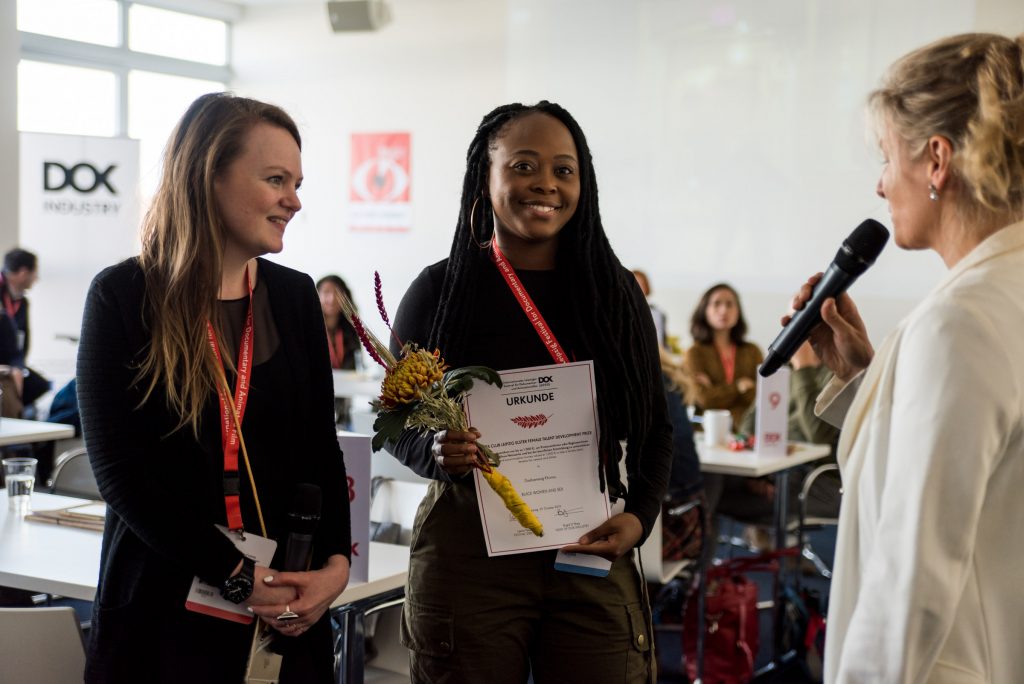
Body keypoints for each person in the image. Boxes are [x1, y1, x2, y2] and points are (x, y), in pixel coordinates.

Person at [387, 101, 672, 683]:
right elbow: (397, 423)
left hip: (589, 546)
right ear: (484, 177)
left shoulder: (614, 294)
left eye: (564, 170)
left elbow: (655, 426)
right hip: (469, 554)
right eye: (523, 166)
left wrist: (640, 517)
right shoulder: (440, 290)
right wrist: (435, 451)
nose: (545, 183)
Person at [77, 93, 351, 683]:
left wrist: (335, 565)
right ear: (209, 176)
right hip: (162, 610)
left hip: (283, 611)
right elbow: (121, 474)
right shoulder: (124, 296)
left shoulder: (295, 297)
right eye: (275, 179)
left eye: (297, 183)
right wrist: (235, 573)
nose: (294, 200)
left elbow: (321, 452)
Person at [785, 33, 1024, 683]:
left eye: (888, 157)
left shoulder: (962, 321)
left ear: (937, 160)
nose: (881, 183)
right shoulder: (999, 294)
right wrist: (864, 376)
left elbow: (912, 575)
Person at [685, 282, 763, 428]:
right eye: (717, 304)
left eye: (729, 304)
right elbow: (705, 399)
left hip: (747, 429)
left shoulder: (752, 351)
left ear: (738, 311)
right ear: (705, 310)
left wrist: (716, 390)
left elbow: (762, 396)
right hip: (708, 431)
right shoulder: (695, 353)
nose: (723, 310)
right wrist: (739, 386)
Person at [0, 248, 51, 409]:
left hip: (11, 362)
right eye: (34, 273)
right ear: (23, 272)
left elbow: (24, 340)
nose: (36, 279)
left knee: (40, 385)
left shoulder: (22, 302)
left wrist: (18, 367)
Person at [316, 274, 361, 371]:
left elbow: (355, 366)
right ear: (316, 295)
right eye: (326, 292)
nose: (332, 299)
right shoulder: (308, 330)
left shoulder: (352, 329)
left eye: (337, 293)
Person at [632, 269, 668, 349]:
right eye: (634, 284)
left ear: (646, 287)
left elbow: (661, 342)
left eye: (641, 285)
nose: (637, 289)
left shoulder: (657, 313)